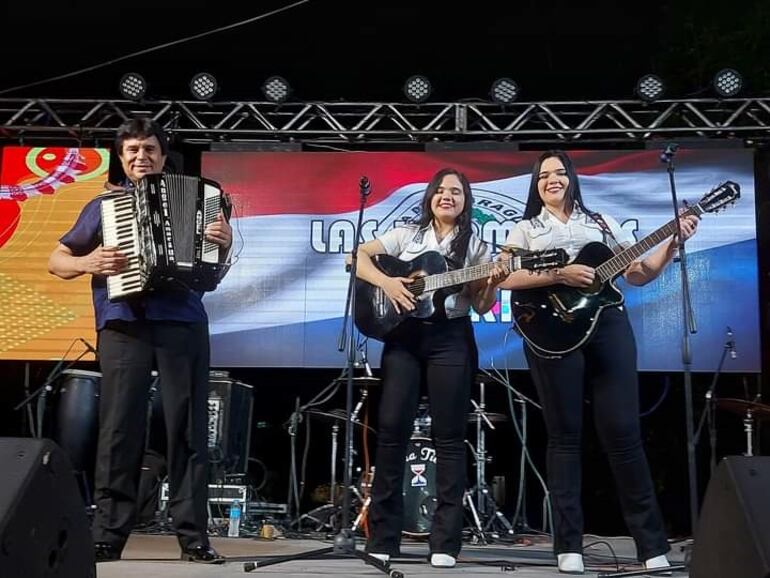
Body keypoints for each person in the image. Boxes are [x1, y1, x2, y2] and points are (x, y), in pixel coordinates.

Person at [498, 150, 698, 574]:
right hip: (553, 331)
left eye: (558, 173)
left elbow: (638, 272)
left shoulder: (601, 222)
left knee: (624, 433)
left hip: (608, 324)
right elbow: (505, 276)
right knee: (564, 436)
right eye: (543, 176)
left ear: (571, 178)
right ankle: (567, 546)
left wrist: (672, 242)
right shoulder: (527, 228)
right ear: (535, 186)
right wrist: (559, 275)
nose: (552, 180)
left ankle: (651, 546)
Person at [48, 117, 232, 564]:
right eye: (131, 150)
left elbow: (213, 273)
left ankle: (193, 537)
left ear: (163, 155)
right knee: (118, 429)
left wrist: (222, 245)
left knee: (187, 428)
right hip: (123, 323)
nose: (140, 157)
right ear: (122, 158)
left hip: (181, 320)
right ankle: (109, 533)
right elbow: (58, 260)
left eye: (148, 149)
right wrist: (90, 260)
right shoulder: (103, 206)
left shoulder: (203, 200)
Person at [352, 168, 507, 568]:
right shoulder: (407, 236)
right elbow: (360, 258)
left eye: (455, 192)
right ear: (430, 197)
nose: (447, 196)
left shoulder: (474, 246)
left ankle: (445, 543)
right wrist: (389, 285)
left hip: (451, 337)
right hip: (404, 337)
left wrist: (492, 282)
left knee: (450, 438)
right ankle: (384, 536)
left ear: (465, 201)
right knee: (391, 432)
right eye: (440, 190)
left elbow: (480, 304)